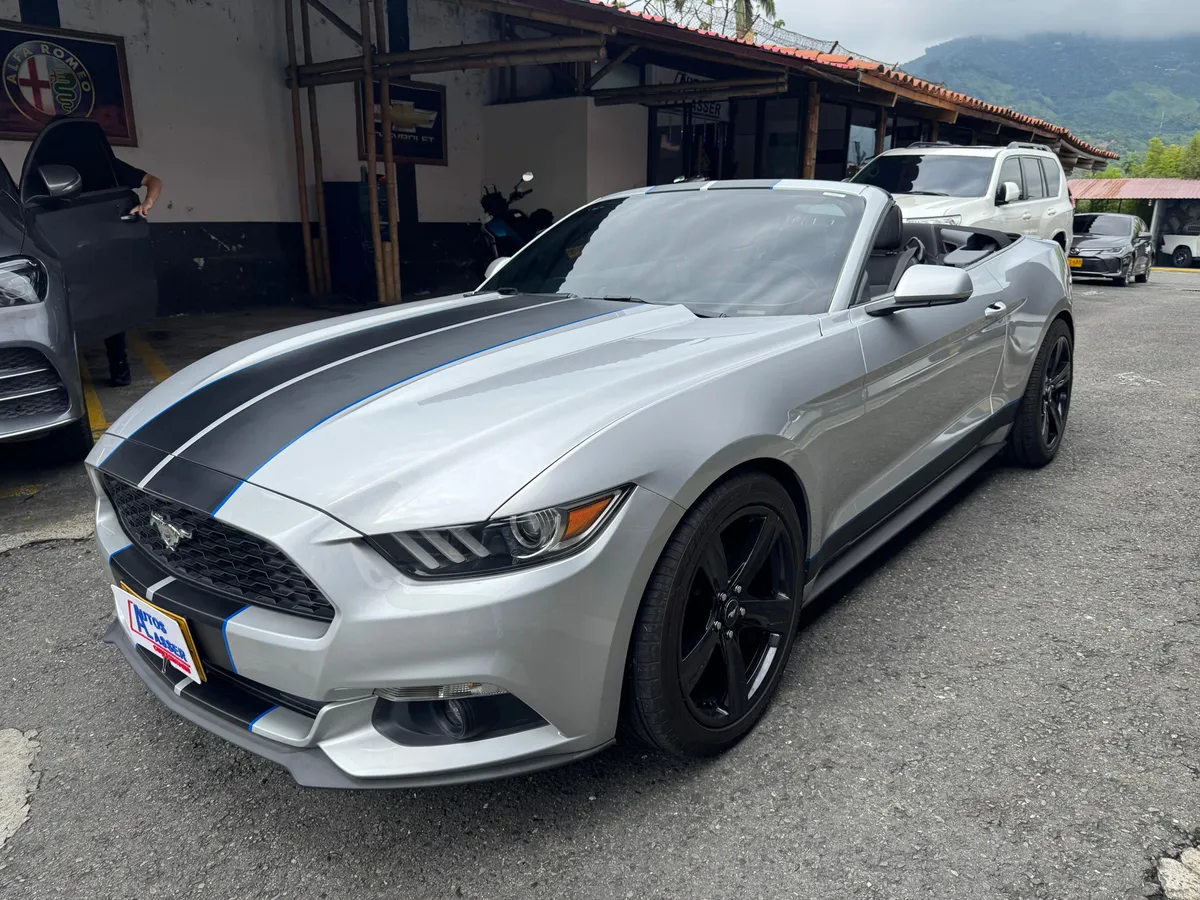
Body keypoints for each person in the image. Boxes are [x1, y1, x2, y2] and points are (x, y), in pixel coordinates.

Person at [104, 158, 163, 386]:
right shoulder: (50, 172)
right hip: (69, 247)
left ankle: (119, 368)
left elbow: (154, 181)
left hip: (111, 245)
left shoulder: (108, 165)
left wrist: (147, 203)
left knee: (110, 305)